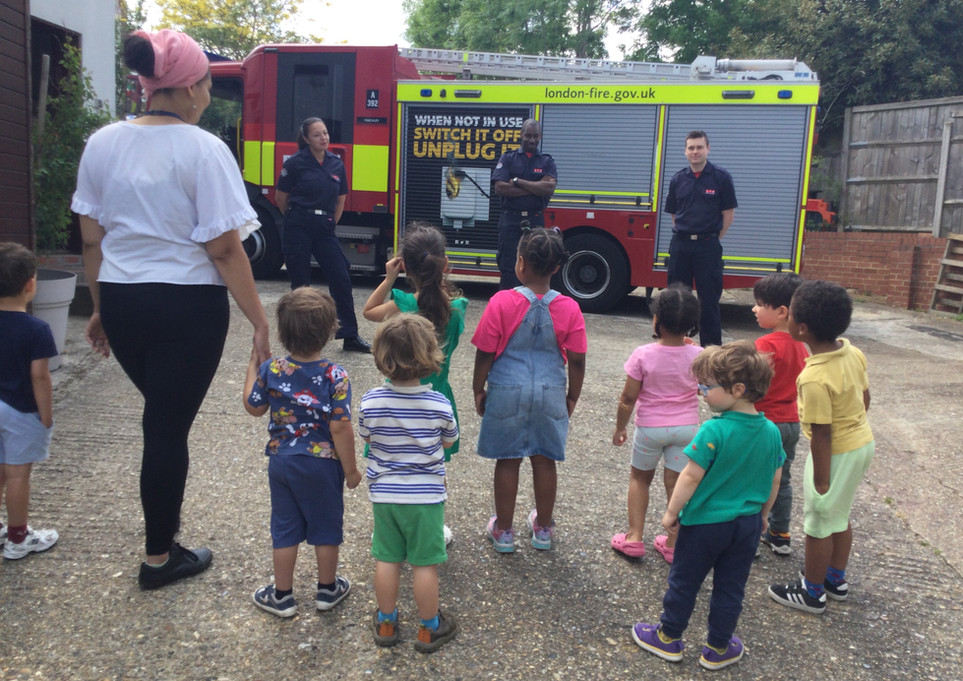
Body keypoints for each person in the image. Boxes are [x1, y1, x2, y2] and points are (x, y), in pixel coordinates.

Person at [73, 29, 272, 590]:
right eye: (208, 82)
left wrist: (100, 305)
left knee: (161, 418)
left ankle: (164, 545)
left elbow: (92, 240)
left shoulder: (102, 143)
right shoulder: (204, 149)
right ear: (190, 87)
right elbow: (225, 248)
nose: (209, 93)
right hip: (187, 306)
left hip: (124, 303)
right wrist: (259, 321)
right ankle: (159, 559)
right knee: (165, 428)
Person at [632, 341, 783, 671]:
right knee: (731, 587)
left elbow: (690, 476)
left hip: (704, 524)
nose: (701, 391)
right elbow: (775, 479)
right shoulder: (771, 432)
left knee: (685, 581)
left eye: (707, 386)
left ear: (738, 389)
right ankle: (718, 647)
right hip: (746, 525)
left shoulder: (714, 428)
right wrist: (763, 516)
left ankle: (669, 638)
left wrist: (672, 513)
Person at [244, 287, 362, 618]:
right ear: (330, 331)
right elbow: (340, 427)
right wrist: (351, 470)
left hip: (281, 461)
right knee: (325, 527)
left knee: (285, 527)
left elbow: (254, 406)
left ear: (283, 332)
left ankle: (282, 595)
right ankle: (327, 590)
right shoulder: (335, 375)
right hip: (322, 465)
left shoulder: (274, 370)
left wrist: (255, 365)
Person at [473, 227, 586, 553]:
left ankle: (504, 531)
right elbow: (577, 360)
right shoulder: (570, 308)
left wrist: (478, 388)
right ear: (556, 267)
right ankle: (543, 529)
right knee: (544, 459)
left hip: (508, 387)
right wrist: (572, 396)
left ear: (520, 263)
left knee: (508, 460)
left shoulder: (501, 302)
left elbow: (485, 351)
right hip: (551, 389)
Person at [769, 281, 875, 614]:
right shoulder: (852, 351)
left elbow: (822, 433)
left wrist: (822, 480)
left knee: (817, 522)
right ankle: (835, 579)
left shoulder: (813, 376)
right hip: (861, 443)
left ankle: (812, 592)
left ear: (800, 328)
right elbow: (865, 397)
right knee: (838, 515)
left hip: (835, 451)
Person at [363, 222, 468, 544]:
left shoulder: (403, 305)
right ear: (445, 264)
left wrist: (390, 277)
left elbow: (369, 312)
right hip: (437, 397)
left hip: (397, 395)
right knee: (434, 465)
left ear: (405, 264)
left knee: (391, 459)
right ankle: (432, 526)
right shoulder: (457, 309)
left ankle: (392, 522)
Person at [360, 315, 459, 653]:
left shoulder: (371, 401)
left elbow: (367, 436)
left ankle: (387, 622)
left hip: (385, 495)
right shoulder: (438, 404)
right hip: (426, 497)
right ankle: (429, 628)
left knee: (387, 559)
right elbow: (449, 442)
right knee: (424, 564)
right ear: (429, 355)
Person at [611, 284, 702, 564]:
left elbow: (628, 398)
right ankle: (673, 544)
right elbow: (703, 389)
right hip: (686, 429)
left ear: (657, 320)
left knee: (640, 479)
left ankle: (635, 537)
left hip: (650, 429)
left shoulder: (643, 354)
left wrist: (620, 427)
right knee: (677, 483)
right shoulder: (698, 356)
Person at [275, 117, 370, 353]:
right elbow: (281, 198)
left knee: (340, 276)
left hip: (324, 226)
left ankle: (349, 334)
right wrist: (296, 219)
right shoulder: (295, 163)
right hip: (298, 224)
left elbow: (341, 199)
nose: (323, 138)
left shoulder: (336, 164)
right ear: (306, 139)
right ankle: (302, 337)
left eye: (325, 133)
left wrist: (329, 222)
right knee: (301, 283)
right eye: (317, 135)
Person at [0, 243, 59, 560]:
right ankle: (18, 538)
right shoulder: (37, 329)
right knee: (18, 474)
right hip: (21, 410)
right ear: (30, 284)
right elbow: (40, 376)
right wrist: (46, 415)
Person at [751, 273, 808, 556]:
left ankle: (750, 533)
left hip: (764, 422)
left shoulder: (766, 345)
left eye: (759, 304)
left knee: (751, 479)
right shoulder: (802, 346)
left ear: (782, 312)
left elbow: (754, 384)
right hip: (791, 422)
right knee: (781, 478)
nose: (754, 309)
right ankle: (780, 533)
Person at [664, 131, 737, 347]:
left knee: (709, 301)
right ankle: (674, 344)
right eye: (691, 148)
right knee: (676, 299)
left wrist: (711, 237)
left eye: (699, 147)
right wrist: (688, 235)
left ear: (708, 149)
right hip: (681, 245)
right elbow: (674, 213)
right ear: (685, 151)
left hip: (707, 246)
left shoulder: (721, 178)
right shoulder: (678, 179)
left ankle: (711, 351)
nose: (695, 152)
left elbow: (728, 215)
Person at [491, 119, 557, 289]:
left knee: (536, 266)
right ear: (521, 135)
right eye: (528, 135)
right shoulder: (508, 158)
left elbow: (549, 188)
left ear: (540, 136)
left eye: (535, 136)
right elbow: (500, 188)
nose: (532, 140)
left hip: (535, 222)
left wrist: (518, 181)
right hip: (510, 221)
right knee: (508, 267)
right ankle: (506, 308)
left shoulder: (547, 161)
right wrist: (536, 187)